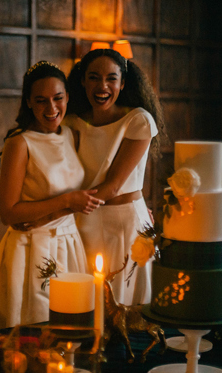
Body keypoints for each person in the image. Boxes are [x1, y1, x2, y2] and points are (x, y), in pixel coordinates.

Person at [0, 61, 104, 332]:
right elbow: (8, 213)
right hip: (32, 248)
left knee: (71, 327)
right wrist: (67, 202)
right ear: (28, 103)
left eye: (58, 99)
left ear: (68, 97)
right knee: (35, 332)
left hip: (70, 243)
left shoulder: (70, 134)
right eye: (41, 101)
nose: (52, 108)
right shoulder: (20, 143)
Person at [63, 48, 167, 306]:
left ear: (122, 83)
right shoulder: (72, 123)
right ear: (82, 81)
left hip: (124, 224)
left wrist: (63, 205)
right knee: (85, 303)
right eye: (94, 77)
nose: (102, 86)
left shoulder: (138, 120)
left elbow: (113, 186)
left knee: (126, 303)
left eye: (111, 78)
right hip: (83, 221)